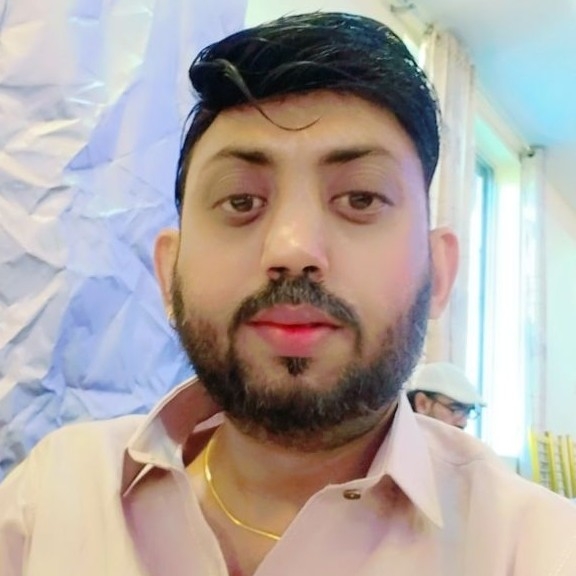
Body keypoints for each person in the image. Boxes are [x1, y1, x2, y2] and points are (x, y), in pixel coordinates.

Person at [1, 11, 575, 576]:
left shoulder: (540, 549)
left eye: (360, 199)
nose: (293, 248)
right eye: (241, 202)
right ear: (169, 275)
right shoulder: (48, 501)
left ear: (440, 275)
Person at [406, 361, 485, 429]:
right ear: (422, 404)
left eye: (468, 411)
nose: (463, 423)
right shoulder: (401, 439)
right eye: (456, 409)